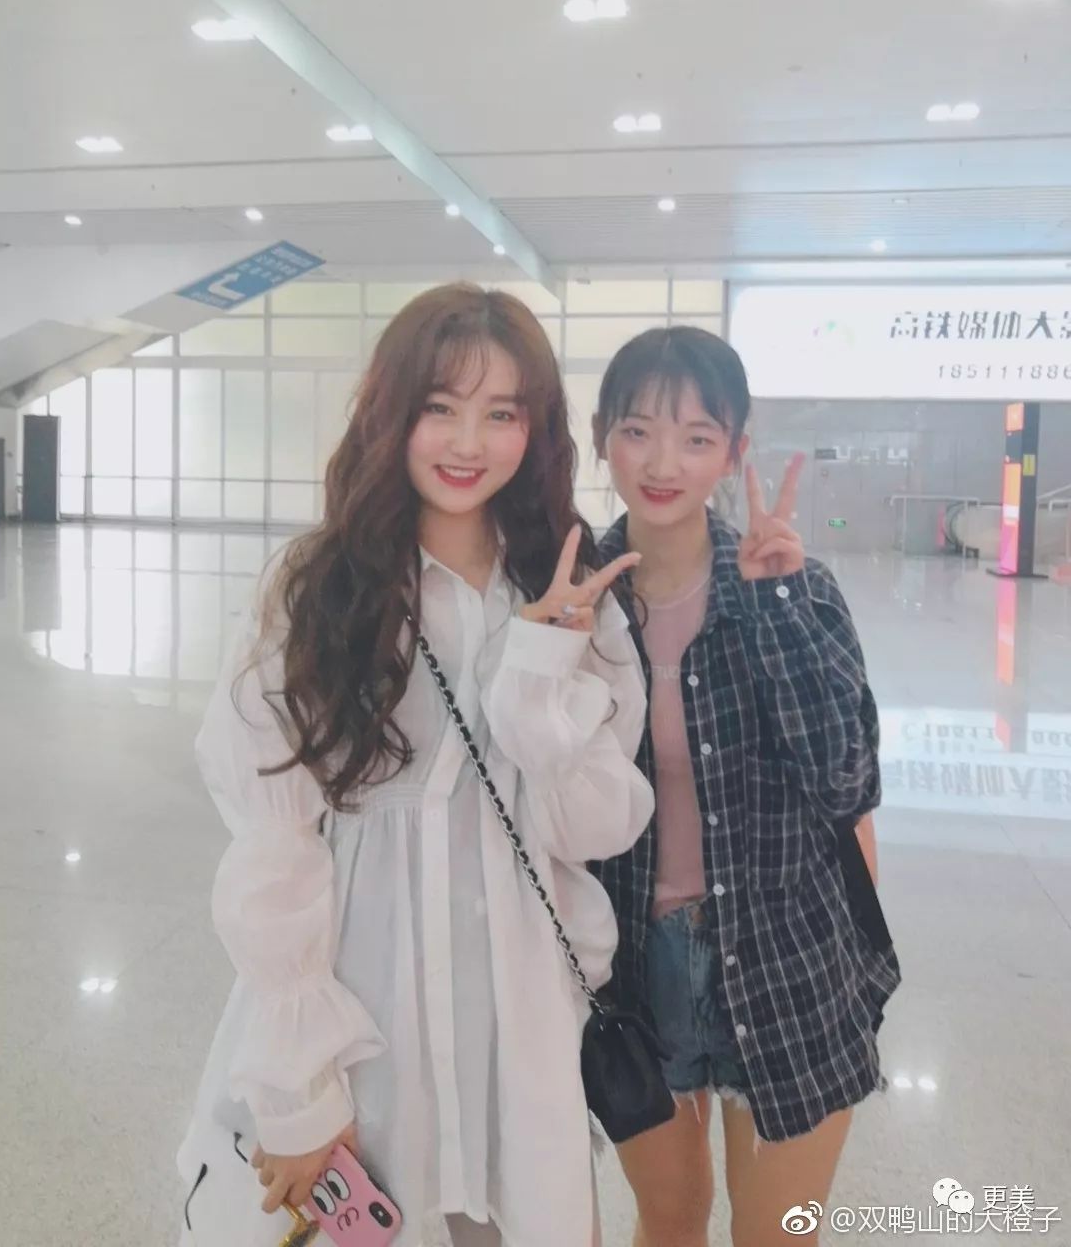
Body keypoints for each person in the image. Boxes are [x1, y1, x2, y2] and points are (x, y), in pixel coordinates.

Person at [177, 283, 653, 1247]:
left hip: (518, 1001)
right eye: (440, 407)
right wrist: (301, 1084)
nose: (468, 442)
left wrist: (540, 679)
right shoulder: (316, 587)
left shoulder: (565, 592)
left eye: (502, 413)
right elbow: (274, 836)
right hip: (365, 991)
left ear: (536, 429)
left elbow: (595, 829)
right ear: (391, 412)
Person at [591, 327, 901, 1247]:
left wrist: (777, 611)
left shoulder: (797, 589)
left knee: (778, 1233)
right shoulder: (575, 598)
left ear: (735, 450)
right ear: (602, 435)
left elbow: (846, 781)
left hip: (785, 958)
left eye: (696, 437)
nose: (663, 464)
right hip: (633, 970)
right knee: (670, 1219)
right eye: (638, 431)